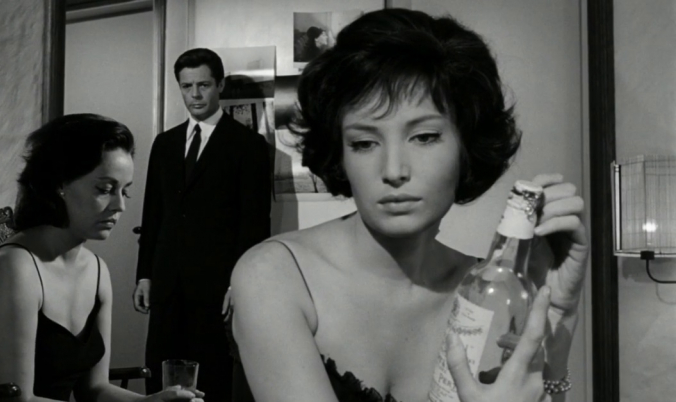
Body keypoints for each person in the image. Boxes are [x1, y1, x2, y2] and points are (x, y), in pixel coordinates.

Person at [228, 8, 588, 402]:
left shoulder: (483, 292)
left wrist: (557, 321)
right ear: (340, 155)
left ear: (466, 146)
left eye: (424, 137)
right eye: (364, 143)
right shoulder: (274, 276)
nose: (394, 170)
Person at [0, 114, 205, 402]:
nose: (120, 206)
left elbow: (94, 389)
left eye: (125, 192)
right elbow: (17, 400)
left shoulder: (96, 270)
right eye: (105, 189)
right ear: (59, 183)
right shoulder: (14, 268)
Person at [133, 48, 272, 400]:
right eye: (187, 86)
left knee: (211, 380)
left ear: (219, 85)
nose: (194, 95)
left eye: (203, 85)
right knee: (160, 378)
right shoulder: (164, 144)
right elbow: (153, 215)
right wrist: (144, 274)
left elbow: (255, 224)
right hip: (167, 284)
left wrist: (240, 284)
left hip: (216, 289)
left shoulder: (248, 145)